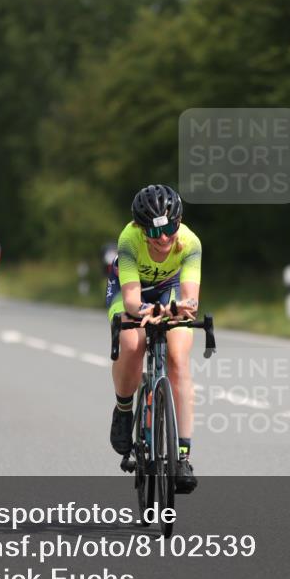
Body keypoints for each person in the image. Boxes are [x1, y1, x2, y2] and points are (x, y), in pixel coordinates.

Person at [106, 185, 201, 493]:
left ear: (180, 221)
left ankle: (183, 455)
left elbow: (190, 301)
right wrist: (154, 310)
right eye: (154, 230)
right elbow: (133, 302)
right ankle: (123, 410)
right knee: (132, 343)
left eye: (170, 228)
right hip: (133, 291)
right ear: (139, 227)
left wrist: (175, 310)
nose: (163, 238)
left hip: (170, 289)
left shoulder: (190, 243)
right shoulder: (129, 239)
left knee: (178, 358)